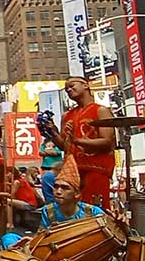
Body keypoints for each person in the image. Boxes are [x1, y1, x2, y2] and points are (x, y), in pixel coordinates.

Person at [45, 76, 116, 211]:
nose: (69, 90)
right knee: (70, 210)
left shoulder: (100, 110)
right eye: (66, 89)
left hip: (95, 169)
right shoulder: (66, 115)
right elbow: (63, 146)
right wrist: (51, 132)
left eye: (72, 86)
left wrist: (77, 141)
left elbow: (107, 142)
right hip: (71, 171)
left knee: (94, 210)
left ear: (86, 85)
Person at [39, 158, 105, 229]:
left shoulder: (93, 212)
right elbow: (42, 236)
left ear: (77, 194)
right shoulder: (48, 211)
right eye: (56, 187)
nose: (58, 191)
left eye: (65, 188)